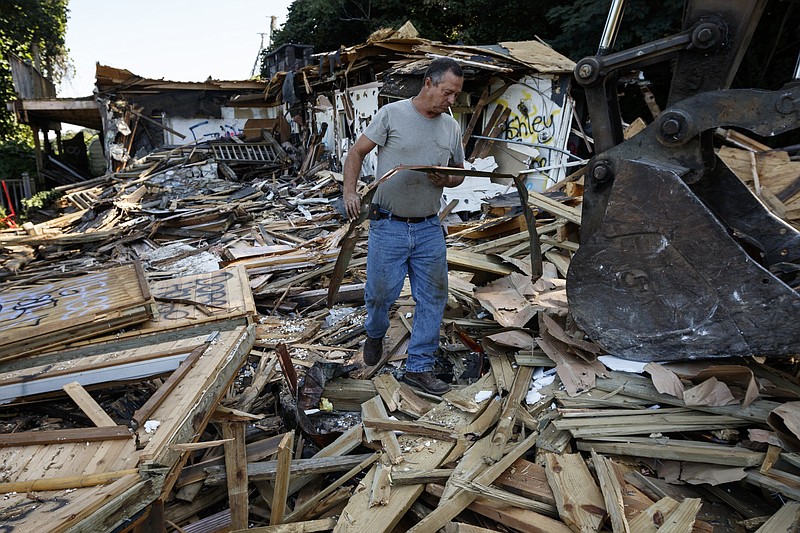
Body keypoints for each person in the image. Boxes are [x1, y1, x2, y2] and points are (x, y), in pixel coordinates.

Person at [343, 57, 465, 395]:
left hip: (428, 227)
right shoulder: (392, 115)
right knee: (381, 295)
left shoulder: (451, 127)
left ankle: (419, 367)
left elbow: (459, 173)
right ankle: (376, 332)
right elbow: (356, 153)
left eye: (456, 95)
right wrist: (350, 191)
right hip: (389, 225)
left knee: (433, 297)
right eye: (447, 92)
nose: (451, 101)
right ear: (428, 83)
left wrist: (448, 178)